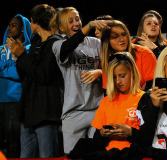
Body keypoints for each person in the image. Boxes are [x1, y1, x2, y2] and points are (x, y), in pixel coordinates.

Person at [50, 7, 111, 154]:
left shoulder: (96, 43)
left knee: (97, 155)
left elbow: (111, 69)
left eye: (77, 19)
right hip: (73, 113)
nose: (76, 23)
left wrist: (100, 71)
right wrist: (89, 25)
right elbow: (69, 46)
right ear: (61, 27)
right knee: (72, 156)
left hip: (97, 110)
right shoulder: (58, 45)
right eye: (70, 21)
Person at [7, 4, 64, 158]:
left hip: (46, 113)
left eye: (31, 22)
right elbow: (26, 76)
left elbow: (43, 75)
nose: (29, 25)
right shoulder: (35, 45)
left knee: (47, 156)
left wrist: (23, 56)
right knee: (26, 156)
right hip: (28, 113)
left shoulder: (56, 43)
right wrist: (18, 57)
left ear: (35, 21)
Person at [67, 52, 145, 160]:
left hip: (132, 153)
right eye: (114, 77)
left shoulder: (144, 99)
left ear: (132, 71)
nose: (118, 81)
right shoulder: (106, 101)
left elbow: (149, 137)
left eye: (122, 76)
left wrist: (130, 132)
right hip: (106, 153)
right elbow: (97, 139)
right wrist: (102, 133)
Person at [0, 14, 32, 158]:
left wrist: (4, 68)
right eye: (9, 24)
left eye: (14, 25)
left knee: (14, 140)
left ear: (22, 28)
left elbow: (21, 73)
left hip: (16, 100)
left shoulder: (29, 49)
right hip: (1, 100)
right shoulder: (1, 49)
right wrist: (11, 66)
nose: (9, 28)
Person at [101, 20, 157, 91]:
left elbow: (152, 86)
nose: (121, 39)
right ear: (107, 42)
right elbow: (109, 91)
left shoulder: (144, 53)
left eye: (124, 34)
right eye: (115, 37)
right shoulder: (108, 60)